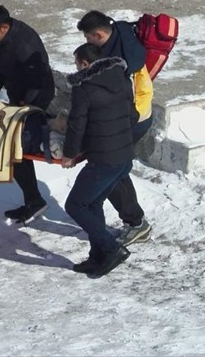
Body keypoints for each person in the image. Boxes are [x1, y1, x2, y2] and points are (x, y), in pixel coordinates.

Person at [78, 10, 154, 246]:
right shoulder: (120, 30)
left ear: (99, 34)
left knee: (109, 168)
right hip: (138, 113)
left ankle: (136, 222)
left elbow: (118, 99)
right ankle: (134, 220)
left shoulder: (120, 61)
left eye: (89, 38)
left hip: (133, 118)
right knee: (113, 169)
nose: (87, 43)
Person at [61, 43, 137, 277]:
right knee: (92, 204)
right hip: (123, 156)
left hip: (103, 159)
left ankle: (112, 248)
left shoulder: (84, 88)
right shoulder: (123, 79)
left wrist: (69, 154)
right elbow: (133, 115)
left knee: (75, 205)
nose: (75, 67)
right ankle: (98, 255)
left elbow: (77, 124)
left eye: (76, 63)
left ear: (85, 64)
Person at [0, 4, 55, 225]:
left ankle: (34, 201)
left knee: (17, 147)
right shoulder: (5, 40)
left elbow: (38, 79)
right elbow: (3, 69)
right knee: (15, 150)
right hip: (19, 96)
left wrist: (25, 106)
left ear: (3, 27)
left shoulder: (25, 44)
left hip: (35, 96)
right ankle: (32, 199)